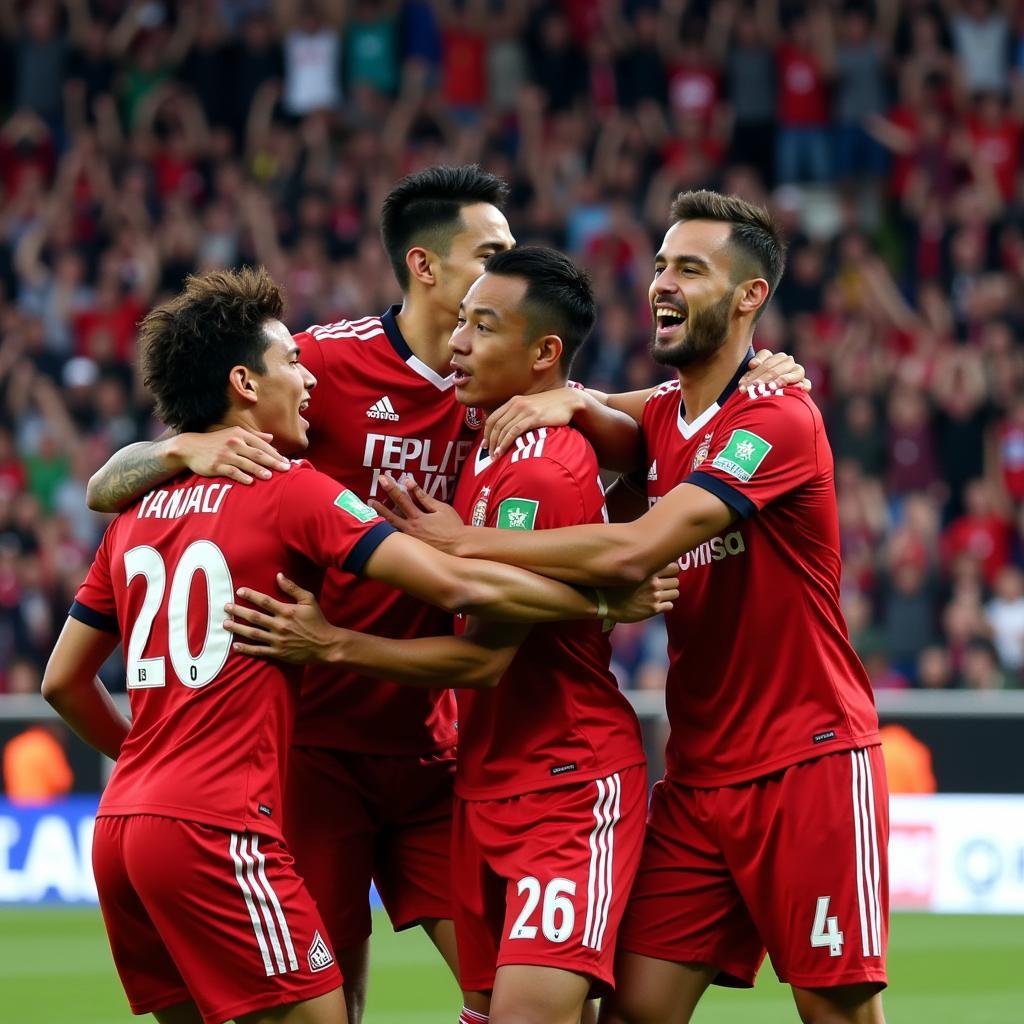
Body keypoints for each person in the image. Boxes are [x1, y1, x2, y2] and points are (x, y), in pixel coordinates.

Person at [83, 165, 805, 1020]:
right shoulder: (317, 368)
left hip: (443, 753)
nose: (505, 264)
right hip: (318, 747)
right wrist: (178, 451)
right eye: (489, 252)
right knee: (330, 999)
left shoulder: (506, 397)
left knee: (513, 998)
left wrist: (753, 371)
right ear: (426, 267)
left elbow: (646, 404)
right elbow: (110, 481)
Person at [42, 267, 667, 1024]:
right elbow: (460, 589)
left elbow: (63, 683)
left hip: (122, 826)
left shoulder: (134, 514)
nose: (308, 379)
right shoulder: (292, 487)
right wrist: (602, 599)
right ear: (244, 382)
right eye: (290, 366)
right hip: (221, 823)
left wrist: (149, 760)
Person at [376, 191, 890, 1024]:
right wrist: (567, 398)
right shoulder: (661, 414)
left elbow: (631, 548)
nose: (662, 283)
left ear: (750, 297)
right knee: (633, 1011)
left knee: (835, 1011)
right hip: (697, 779)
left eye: (690, 268)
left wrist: (462, 541)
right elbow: (594, 406)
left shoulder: (778, 419)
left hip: (809, 763)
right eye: (658, 265)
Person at [222, 247, 660, 1024]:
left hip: (560, 777)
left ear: (541, 354)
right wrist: (179, 446)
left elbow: (487, 656)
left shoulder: (537, 467)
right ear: (424, 264)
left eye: (482, 327)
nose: (458, 341)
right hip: (468, 776)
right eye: (463, 319)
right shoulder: (474, 436)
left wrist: (333, 642)